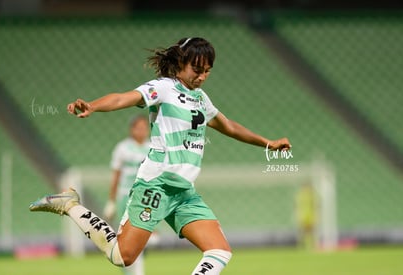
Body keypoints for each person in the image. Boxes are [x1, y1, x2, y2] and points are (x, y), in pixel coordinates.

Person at [29, 37, 291, 274]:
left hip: (184, 191)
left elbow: (229, 126)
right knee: (122, 256)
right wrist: (93, 106)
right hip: (156, 185)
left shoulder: (200, 98)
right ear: (180, 63)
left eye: (207, 71)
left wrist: (269, 143)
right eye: (196, 70)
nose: (201, 77)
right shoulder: (164, 88)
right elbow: (124, 98)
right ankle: (70, 205)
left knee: (219, 251)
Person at [103, 114, 151, 275]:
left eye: (145, 128)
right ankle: (130, 272)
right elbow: (116, 175)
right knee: (127, 238)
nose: (142, 131)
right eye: (138, 128)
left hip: (145, 197)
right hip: (126, 196)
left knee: (141, 236)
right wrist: (111, 201)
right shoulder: (122, 148)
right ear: (132, 130)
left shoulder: (152, 147)